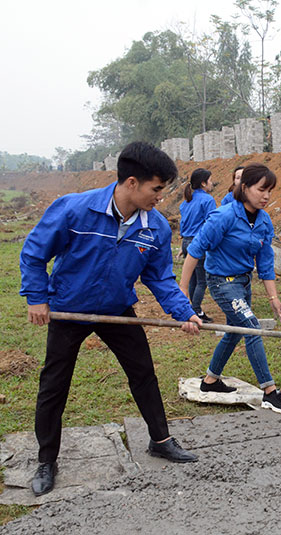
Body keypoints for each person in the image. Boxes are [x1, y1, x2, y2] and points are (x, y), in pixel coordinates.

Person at [20, 141, 203, 497]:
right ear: (132, 183)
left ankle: (160, 440)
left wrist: (185, 312)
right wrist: (37, 298)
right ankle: (46, 460)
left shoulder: (155, 227)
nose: (160, 198)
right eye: (156, 189)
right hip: (70, 309)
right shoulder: (75, 210)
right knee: (54, 384)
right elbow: (34, 253)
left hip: (116, 309)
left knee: (143, 373)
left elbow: (160, 278)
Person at [179, 164, 281, 414]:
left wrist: (273, 297)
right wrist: (183, 292)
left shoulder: (264, 221)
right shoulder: (224, 216)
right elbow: (195, 251)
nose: (266, 196)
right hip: (221, 282)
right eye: (261, 189)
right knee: (251, 327)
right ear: (245, 187)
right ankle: (270, 392)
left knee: (234, 332)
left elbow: (265, 262)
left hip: (243, 283)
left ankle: (210, 381)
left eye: (270, 191)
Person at [179, 168, 216, 322]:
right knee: (202, 281)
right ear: (203, 183)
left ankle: (191, 309)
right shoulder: (208, 200)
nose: (212, 183)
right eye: (210, 180)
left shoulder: (186, 202)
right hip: (198, 243)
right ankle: (196, 310)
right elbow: (211, 224)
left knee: (192, 278)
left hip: (186, 242)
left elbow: (183, 224)